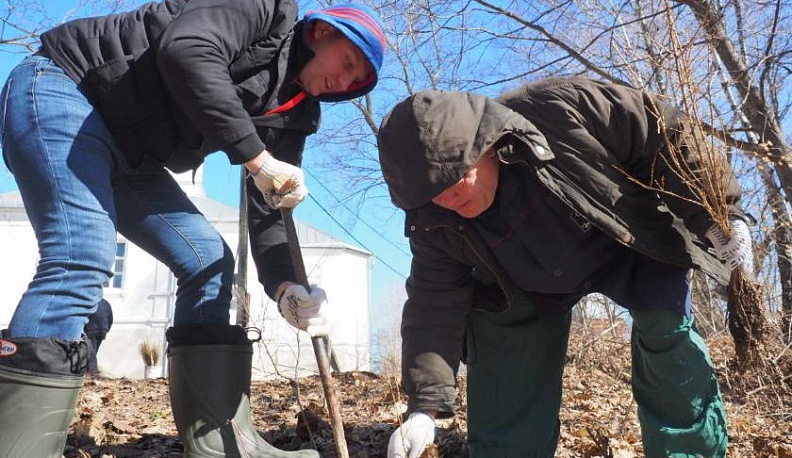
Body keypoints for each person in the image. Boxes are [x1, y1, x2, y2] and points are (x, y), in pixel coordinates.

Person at [0, 1, 385, 457]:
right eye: (346, 63)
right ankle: (18, 446)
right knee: (80, 255)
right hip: (66, 90)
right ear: (320, 32)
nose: (343, 83)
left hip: (131, 154)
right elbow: (186, 50)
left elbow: (271, 208)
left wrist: (286, 288)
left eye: (355, 81)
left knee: (208, 260)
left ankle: (217, 442)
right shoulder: (266, 9)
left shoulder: (293, 117)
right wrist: (256, 159)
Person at [377, 77, 754, 458]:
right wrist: (423, 410)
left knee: (667, 336)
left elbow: (664, 132)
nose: (449, 198)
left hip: (625, 239)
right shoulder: (432, 219)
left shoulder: (559, 108)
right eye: (432, 192)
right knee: (506, 407)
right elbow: (433, 305)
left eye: (457, 178)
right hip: (521, 287)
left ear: (486, 144)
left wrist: (718, 213)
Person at [84, 298, 114, 377]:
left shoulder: (89, 302)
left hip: (91, 329)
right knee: (93, 350)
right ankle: (90, 370)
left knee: (91, 351)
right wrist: (106, 329)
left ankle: (93, 371)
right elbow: (110, 318)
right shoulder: (105, 303)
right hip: (103, 330)